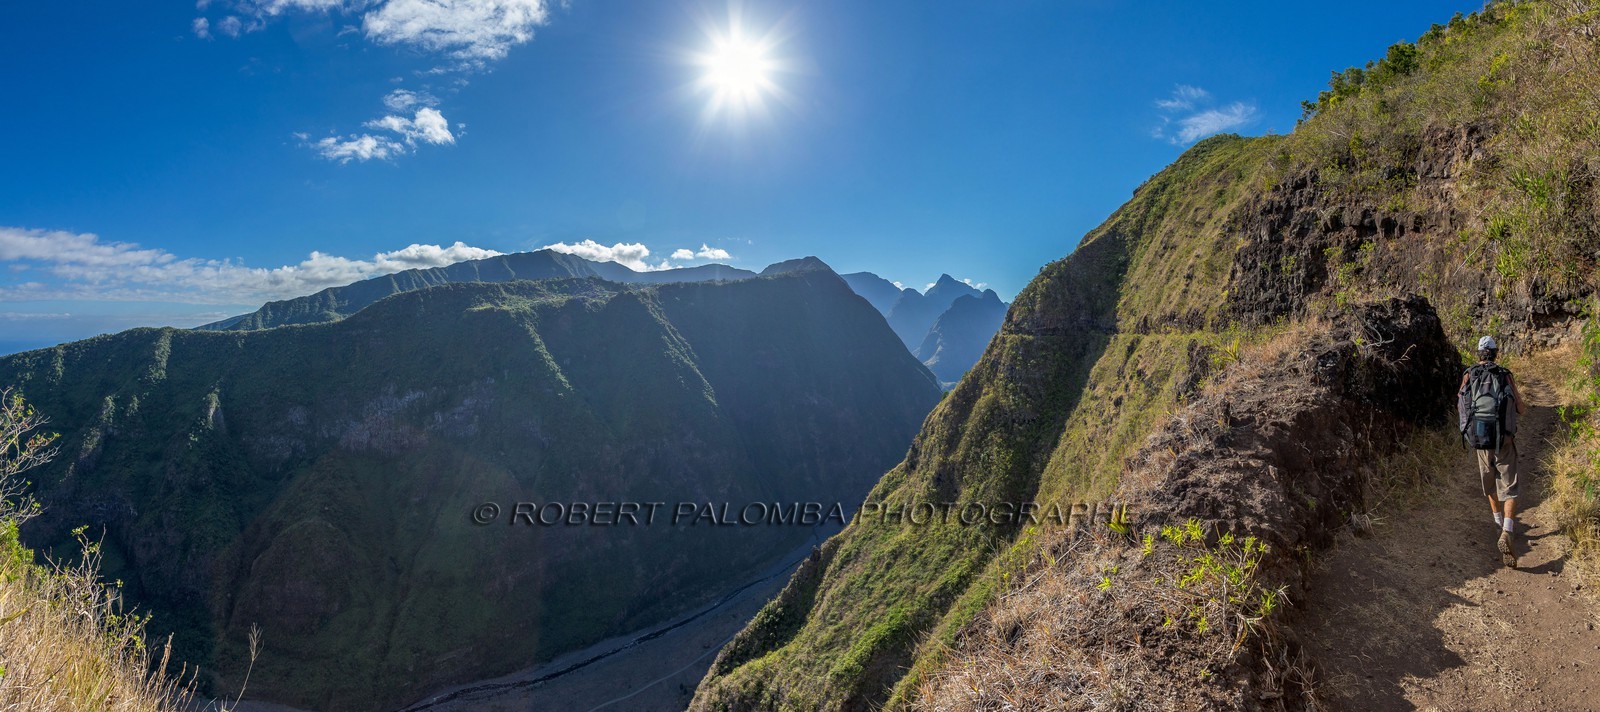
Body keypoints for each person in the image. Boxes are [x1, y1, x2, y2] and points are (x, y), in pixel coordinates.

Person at [1458, 335, 1525, 567]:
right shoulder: (1504, 374)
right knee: (1510, 485)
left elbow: (1461, 403)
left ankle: (1498, 525)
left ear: (1479, 353)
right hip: (1504, 439)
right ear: (1495, 353)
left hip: (1480, 439)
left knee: (1489, 483)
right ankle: (1507, 530)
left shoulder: (1470, 374)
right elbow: (1520, 407)